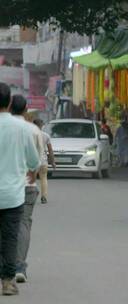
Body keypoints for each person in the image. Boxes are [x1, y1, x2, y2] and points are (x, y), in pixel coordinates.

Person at [0, 83, 41, 295]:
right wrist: (31, 172)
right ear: (8, 103)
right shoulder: (23, 128)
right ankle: (7, 282)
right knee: (9, 237)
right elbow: (34, 161)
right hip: (13, 195)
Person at [10, 95, 45, 284]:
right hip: (27, 184)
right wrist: (33, 171)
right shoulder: (32, 130)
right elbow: (36, 159)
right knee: (23, 224)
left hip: (5, 185)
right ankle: (19, 266)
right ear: (25, 110)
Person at [34, 119, 56, 204]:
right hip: (43, 161)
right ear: (41, 125)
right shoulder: (46, 136)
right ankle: (44, 196)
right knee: (44, 178)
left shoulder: (30, 134)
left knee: (31, 180)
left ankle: (32, 194)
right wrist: (53, 162)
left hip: (32, 162)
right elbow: (50, 150)